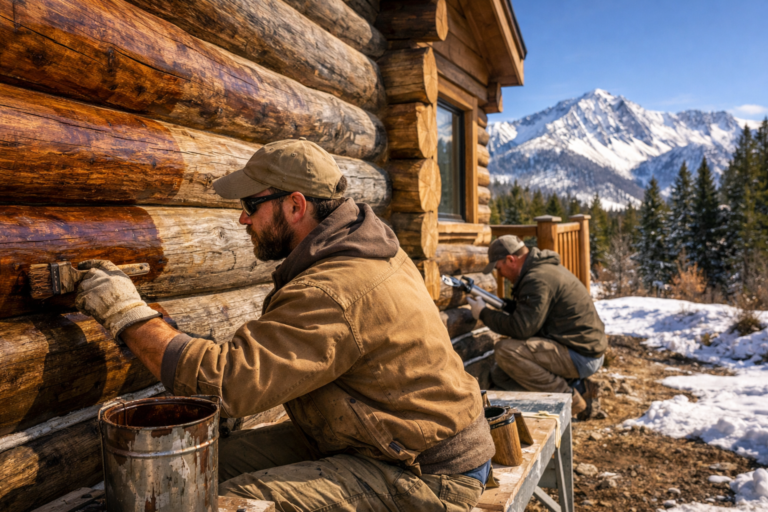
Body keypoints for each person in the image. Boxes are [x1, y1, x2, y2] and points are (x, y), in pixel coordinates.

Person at [74, 139, 495, 511]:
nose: (243, 220)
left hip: (427, 472)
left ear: (295, 205)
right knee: (198, 469)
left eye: (250, 205)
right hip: (380, 438)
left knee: (223, 502)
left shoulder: (336, 287)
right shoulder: (361, 249)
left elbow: (228, 383)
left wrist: (126, 313)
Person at [466, 235, 607, 417]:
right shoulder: (541, 270)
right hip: (580, 348)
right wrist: (500, 304)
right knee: (501, 376)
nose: (500, 275)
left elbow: (522, 328)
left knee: (506, 351)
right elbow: (529, 311)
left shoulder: (537, 278)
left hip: (582, 355)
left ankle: (571, 399)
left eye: (499, 269)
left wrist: (483, 314)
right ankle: (578, 386)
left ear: (511, 259)